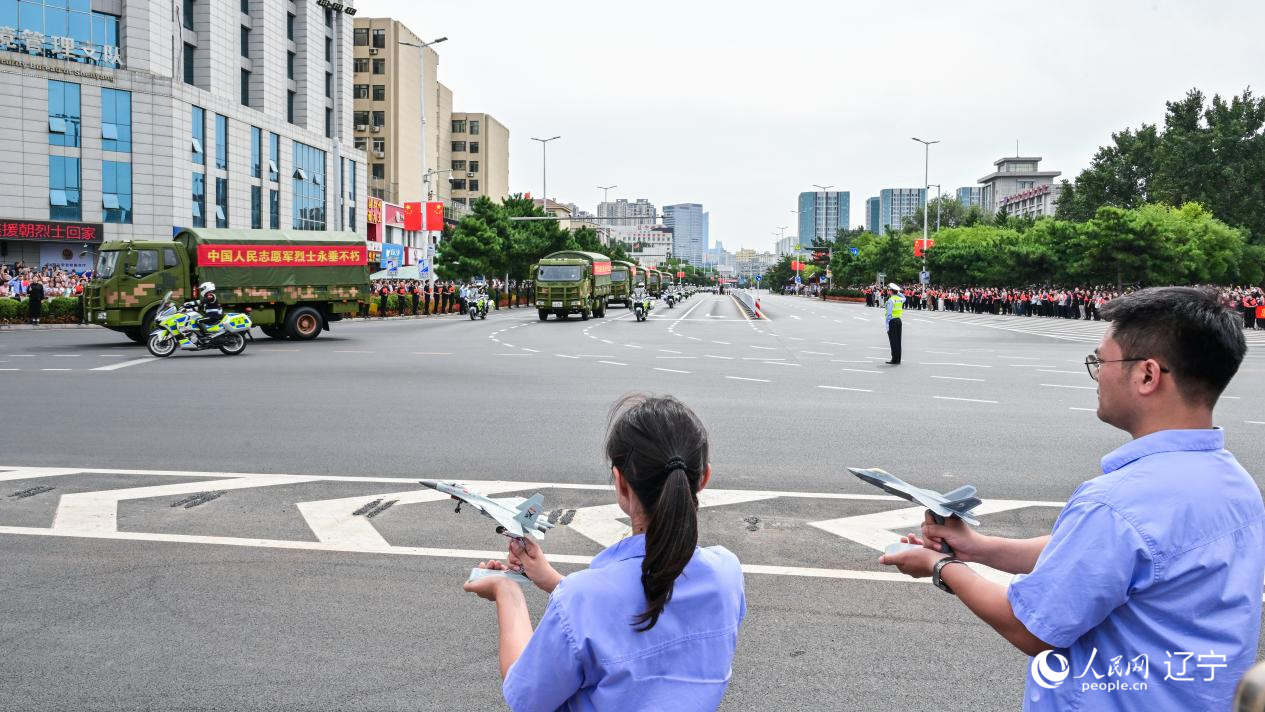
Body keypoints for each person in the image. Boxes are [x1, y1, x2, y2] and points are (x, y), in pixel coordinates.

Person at [881, 286, 1263, 711]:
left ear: (1147, 375)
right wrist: (980, 548)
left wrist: (941, 567)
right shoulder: (1235, 484)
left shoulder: (1116, 504)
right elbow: (1105, 557)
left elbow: (1031, 628)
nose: (1097, 373)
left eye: (1100, 361)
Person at [464, 395, 745, 712]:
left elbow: (526, 698)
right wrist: (554, 581)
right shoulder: (727, 574)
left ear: (621, 483)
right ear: (704, 477)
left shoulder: (581, 600)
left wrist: (508, 593)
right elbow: (637, 609)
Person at [884, 282, 903, 365]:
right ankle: (898, 359)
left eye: (888, 290)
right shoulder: (899, 299)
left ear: (891, 291)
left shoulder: (891, 300)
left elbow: (889, 314)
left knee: (893, 341)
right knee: (898, 341)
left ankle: (894, 359)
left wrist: (887, 326)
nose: (887, 291)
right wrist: (898, 292)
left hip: (892, 321)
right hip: (899, 320)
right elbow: (904, 297)